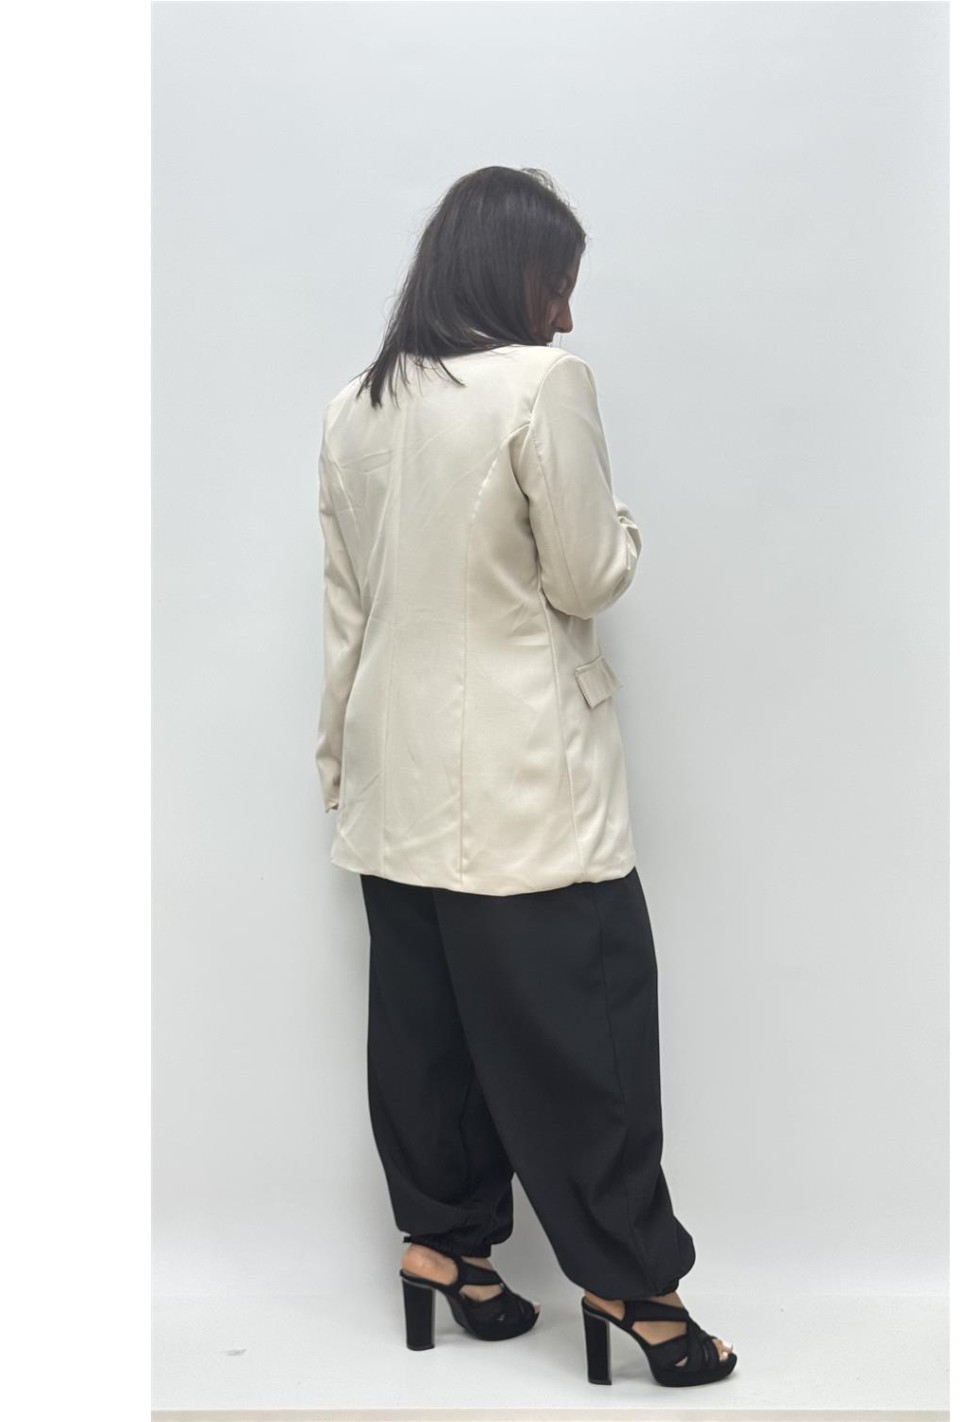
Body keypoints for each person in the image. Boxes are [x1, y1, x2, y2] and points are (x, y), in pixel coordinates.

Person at [314, 165, 736, 1388]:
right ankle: (635, 1286)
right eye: (559, 282)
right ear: (515, 275)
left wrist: (337, 760)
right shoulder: (543, 385)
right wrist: (629, 526)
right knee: (587, 1029)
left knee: (428, 1028)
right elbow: (587, 573)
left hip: (391, 770)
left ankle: (444, 1249)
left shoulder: (354, 407)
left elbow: (346, 611)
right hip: (519, 770)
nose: (567, 312)